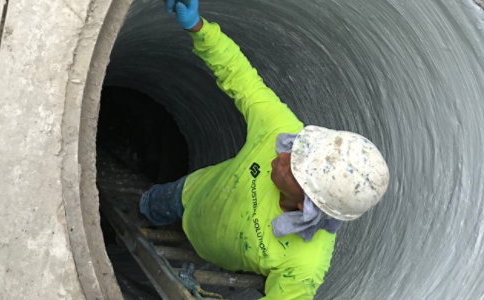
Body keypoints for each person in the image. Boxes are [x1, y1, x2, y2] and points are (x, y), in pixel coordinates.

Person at [139, 0, 390, 299]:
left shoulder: (305, 263)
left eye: (294, 168)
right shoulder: (282, 130)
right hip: (190, 192)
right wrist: (198, 28)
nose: (283, 157)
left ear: (304, 206)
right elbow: (241, 78)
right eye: (298, 149)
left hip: (211, 250)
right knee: (148, 206)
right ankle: (142, 209)